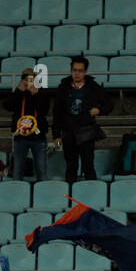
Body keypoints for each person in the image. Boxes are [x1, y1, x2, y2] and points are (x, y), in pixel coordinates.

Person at [51, 56, 111, 184]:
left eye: (80, 70)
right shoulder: (63, 88)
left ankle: (91, 196)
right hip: (68, 132)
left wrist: (98, 110)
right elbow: (57, 113)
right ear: (71, 71)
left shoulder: (93, 87)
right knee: (71, 167)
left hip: (86, 132)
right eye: (74, 70)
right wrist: (56, 135)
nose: (77, 73)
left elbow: (109, 105)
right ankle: (71, 198)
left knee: (88, 166)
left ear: (85, 72)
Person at [4, 67, 51, 181]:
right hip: (21, 137)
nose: (28, 82)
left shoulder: (42, 93)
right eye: (26, 79)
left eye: (31, 79)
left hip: (38, 137)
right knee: (17, 171)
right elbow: (8, 106)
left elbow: (44, 110)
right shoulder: (18, 93)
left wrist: (36, 94)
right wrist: (18, 91)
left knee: (41, 171)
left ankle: (42, 195)